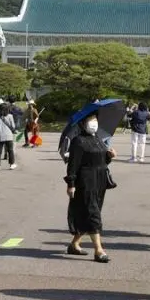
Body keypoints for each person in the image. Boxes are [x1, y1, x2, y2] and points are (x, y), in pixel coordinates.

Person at [65, 111, 117, 263]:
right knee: (93, 213)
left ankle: (74, 243)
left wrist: (109, 156)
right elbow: (72, 166)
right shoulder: (78, 141)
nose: (94, 122)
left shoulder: (98, 139)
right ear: (82, 123)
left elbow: (101, 161)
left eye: (95, 119)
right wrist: (71, 184)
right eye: (90, 120)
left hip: (100, 181)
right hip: (85, 182)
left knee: (91, 212)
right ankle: (98, 250)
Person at [0, 102, 17, 171]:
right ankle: (12, 164)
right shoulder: (10, 116)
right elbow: (13, 126)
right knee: (10, 150)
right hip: (9, 136)